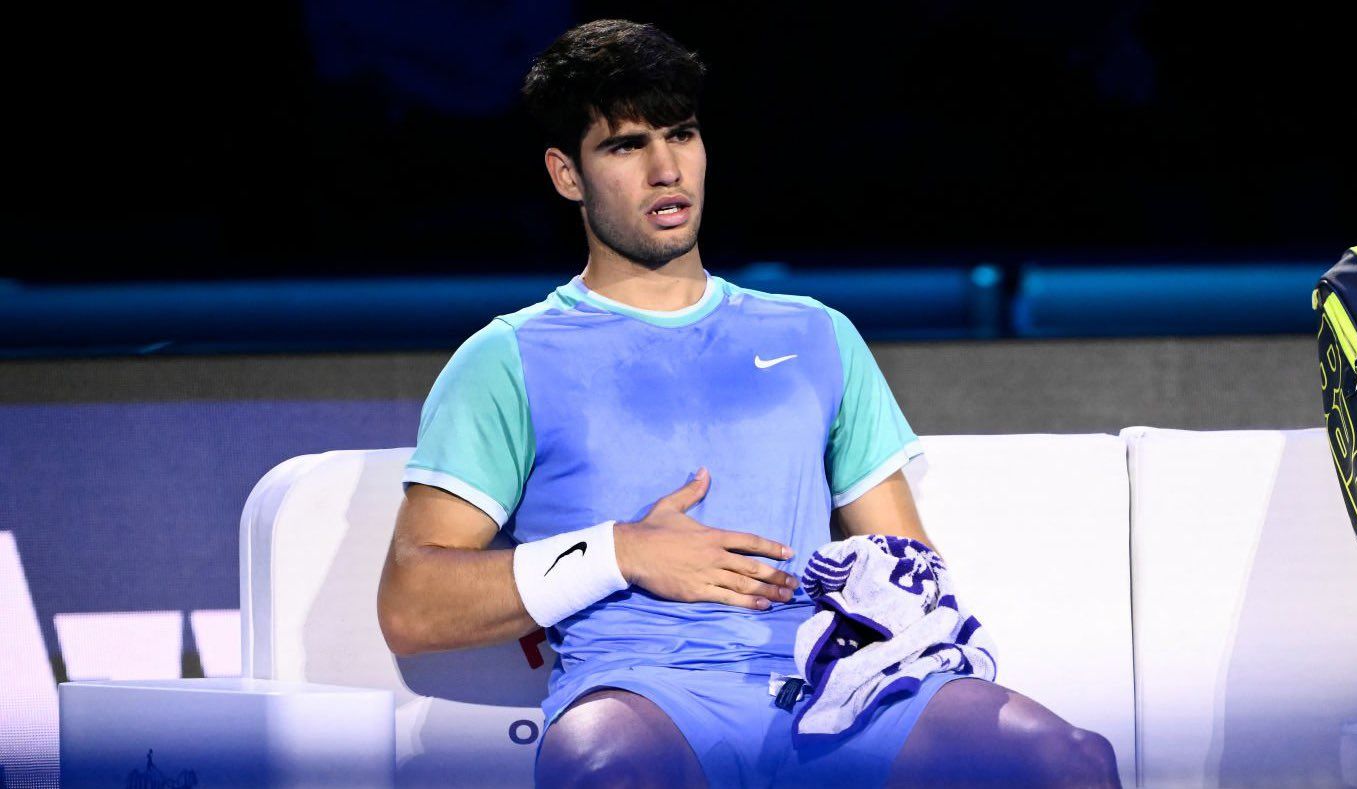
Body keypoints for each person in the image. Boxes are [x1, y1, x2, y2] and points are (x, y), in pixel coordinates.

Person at [377, 18, 1120, 788]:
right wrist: (621, 551)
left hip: (837, 689)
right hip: (645, 694)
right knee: (610, 772)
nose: (667, 168)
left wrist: (898, 617)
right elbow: (413, 601)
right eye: (627, 145)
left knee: (1071, 760)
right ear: (568, 175)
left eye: (682, 134)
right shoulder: (507, 358)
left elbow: (907, 560)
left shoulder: (815, 332)